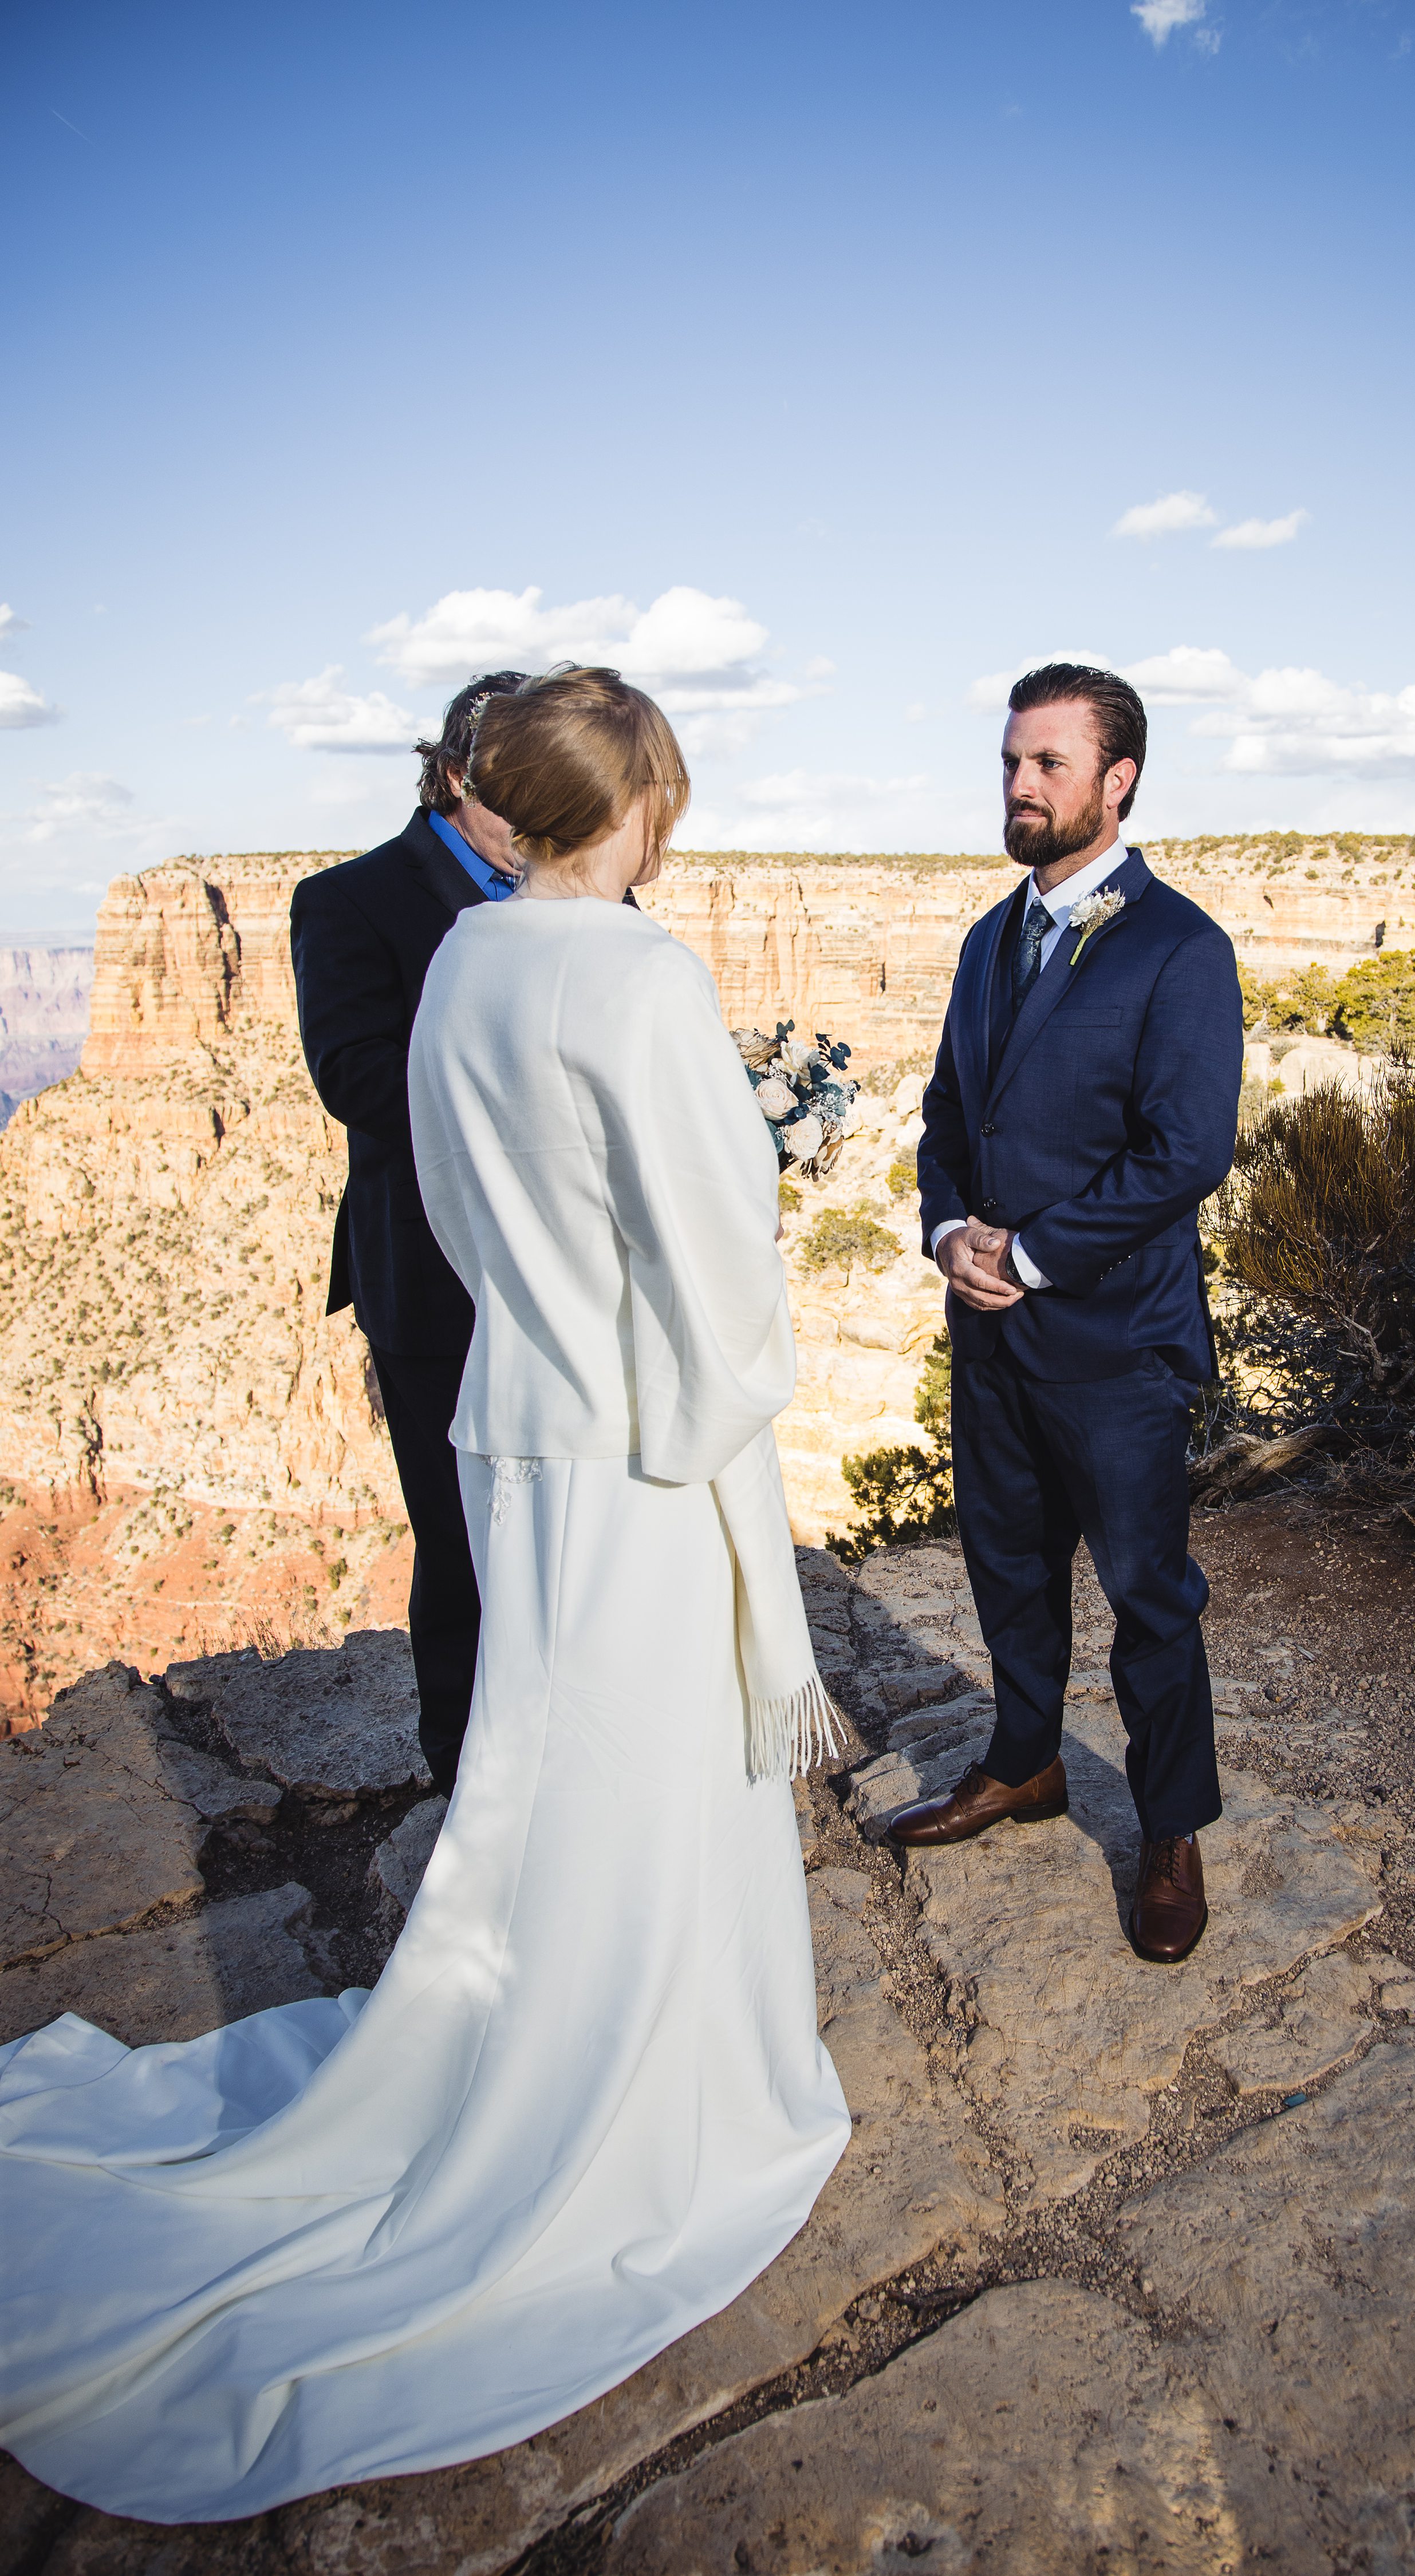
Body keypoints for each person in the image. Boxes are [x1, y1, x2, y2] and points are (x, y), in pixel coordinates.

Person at [0, 667, 849, 2523]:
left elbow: (464, 1194)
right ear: (623, 804)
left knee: (549, 1725)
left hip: (519, 1411)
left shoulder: (477, 962)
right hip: (636, 1442)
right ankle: (653, 2067)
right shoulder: (635, 973)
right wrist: (741, 1375)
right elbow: (709, 1266)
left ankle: (525, 2006)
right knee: (649, 1749)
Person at [890, 663, 1243, 1965]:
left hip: (1113, 1346)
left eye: (1048, 763)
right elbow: (945, 1118)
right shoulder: (991, 939)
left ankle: (1169, 1830)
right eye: (1010, 762)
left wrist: (1030, 1256)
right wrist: (947, 1236)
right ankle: (1024, 1761)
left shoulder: (1180, 948)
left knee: (1151, 1595)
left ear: (1120, 780)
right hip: (987, 1338)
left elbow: (1184, 1152)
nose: (1021, 785)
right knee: (1011, 1570)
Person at [290, 672, 531, 1795]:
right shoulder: (349, 901)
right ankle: (462, 1773)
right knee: (461, 1529)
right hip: (433, 1272)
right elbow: (357, 1079)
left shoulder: (581, 891)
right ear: (451, 772)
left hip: (570, 1274)